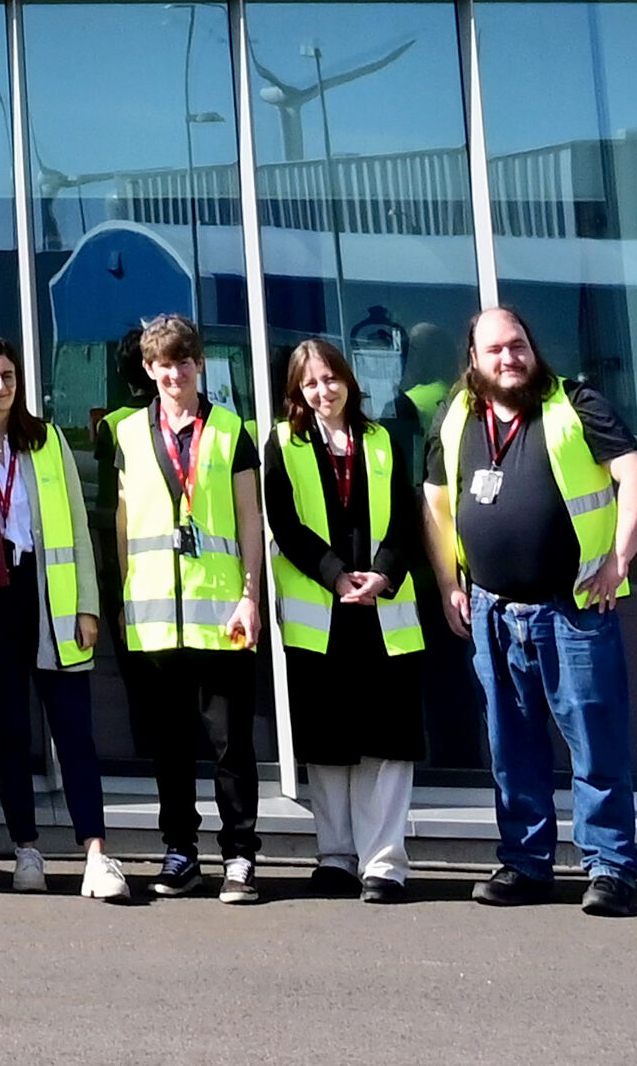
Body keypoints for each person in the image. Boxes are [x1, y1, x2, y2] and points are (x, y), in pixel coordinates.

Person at [430, 303, 637, 917]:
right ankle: (526, 864)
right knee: (512, 748)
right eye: (496, 350)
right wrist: (448, 579)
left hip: (574, 610)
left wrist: (618, 560)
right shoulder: (456, 417)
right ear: (473, 361)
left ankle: (610, 868)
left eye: (519, 345)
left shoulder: (576, 404)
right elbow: (436, 501)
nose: (511, 358)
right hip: (492, 612)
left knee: (595, 743)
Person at [0, 332, 124, 899]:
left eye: (9, 377)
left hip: (50, 597)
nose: (0, 386)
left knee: (74, 732)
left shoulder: (44, 441)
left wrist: (88, 606)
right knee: (10, 733)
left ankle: (95, 852)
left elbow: (78, 524)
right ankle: (27, 850)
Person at [266, 334, 428, 899]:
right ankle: (336, 856)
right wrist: (335, 574)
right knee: (329, 743)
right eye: (309, 382)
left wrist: (382, 574)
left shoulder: (383, 441)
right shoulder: (282, 444)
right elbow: (284, 524)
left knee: (385, 744)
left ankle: (384, 863)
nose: (322, 389)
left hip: (384, 612)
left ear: (349, 380)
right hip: (322, 613)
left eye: (330, 377)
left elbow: (408, 521)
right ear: (296, 391)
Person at [108, 313, 262, 901]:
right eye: (162, 364)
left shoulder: (229, 431)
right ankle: (180, 852)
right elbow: (123, 524)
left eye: (182, 361)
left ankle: (241, 857)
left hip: (221, 615)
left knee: (231, 747)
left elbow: (250, 519)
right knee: (169, 746)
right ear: (149, 370)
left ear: (199, 364)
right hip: (153, 618)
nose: (173, 373)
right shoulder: (126, 435)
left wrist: (250, 596)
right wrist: (124, 596)